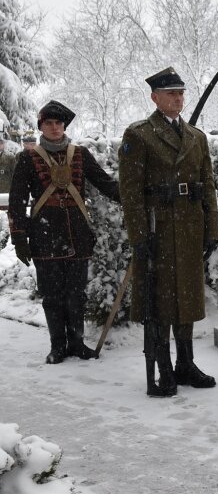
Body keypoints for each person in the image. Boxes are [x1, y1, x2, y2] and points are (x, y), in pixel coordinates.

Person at [119, 66, 218, 397]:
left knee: (187, 299)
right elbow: (130, 193)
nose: (178, 99)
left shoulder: (196, 136)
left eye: (181, 93)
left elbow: (207, 187)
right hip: (157, 230)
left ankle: (186, 364)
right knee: (161, 301)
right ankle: (164, 368)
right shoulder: (139, 135)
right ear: (155, 97)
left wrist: (212, 230)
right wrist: (139, 237)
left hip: (189, 229)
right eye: (171, 94)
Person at [8, 100, 120, 364]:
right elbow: (16, 201)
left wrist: (134, 196)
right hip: (44, 236)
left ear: (64, 126)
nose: (55, 128)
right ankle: (58, 345)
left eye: (59, 123)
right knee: (52, 295)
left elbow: (105, 183)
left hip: (78, 235)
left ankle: (78, 343)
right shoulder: (27, 158)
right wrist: (19, 238)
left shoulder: (80, 154)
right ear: (41, 127)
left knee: (76, 294)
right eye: (49, 123)